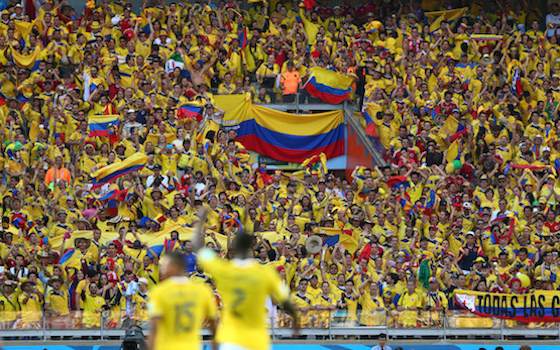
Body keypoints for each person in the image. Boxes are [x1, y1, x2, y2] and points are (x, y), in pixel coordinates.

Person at [194, 208, 298, 350]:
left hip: (230, 340)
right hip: (257, 341)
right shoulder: (265, 273)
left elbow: (199, 249)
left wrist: (200, 223)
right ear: (252, 248)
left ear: (234, 249)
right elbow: (285, 301)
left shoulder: (223, 270)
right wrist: (296, 322)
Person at [147, 251, 217, 350]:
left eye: (165, 266)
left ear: (175, 266)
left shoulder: (159, 292)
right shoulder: (203, 291)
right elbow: (214, 325)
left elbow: (154, 328)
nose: (162, 270)